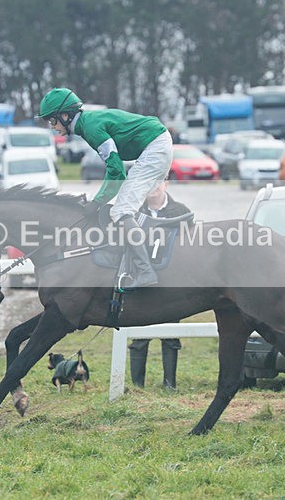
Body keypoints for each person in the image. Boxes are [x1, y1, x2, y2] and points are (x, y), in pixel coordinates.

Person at [37, 87, 173, 288]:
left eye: (52, 120)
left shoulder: (90, 127)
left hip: (155, 147)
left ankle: (145, 271)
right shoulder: (86, 124)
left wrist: (98, 201)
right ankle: (134, 262)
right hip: (156, 145)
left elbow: (117, 170)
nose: (52, 126)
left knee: (121, 211)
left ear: (65, 115)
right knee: (125, 208)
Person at [128, 180, 191, 389]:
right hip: (141, 283)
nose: (152, 187)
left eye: (157, 181)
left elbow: (191, 245)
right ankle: (137, 387)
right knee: (138, 336)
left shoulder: (181, 211)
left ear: (166, 183)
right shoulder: (133, 212)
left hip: (171, 284)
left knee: (170, 335)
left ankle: (170, 384)